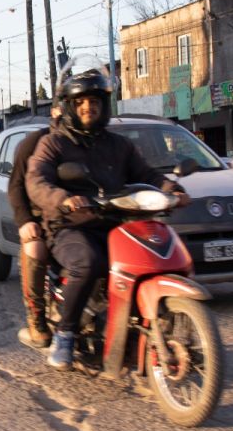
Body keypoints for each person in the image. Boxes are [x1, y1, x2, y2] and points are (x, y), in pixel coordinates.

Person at [26, 70, 188, 369]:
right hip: (69, 226)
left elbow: (146, 174)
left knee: (149, 257)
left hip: (114, 222)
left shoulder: (119, 145)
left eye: (95, 101)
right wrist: (63, 199)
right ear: (71, 106)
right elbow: (37, 182)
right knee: (89, 261)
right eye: (82, 102)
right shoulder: (54, 144)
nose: (89, 107)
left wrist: (171, 188)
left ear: (104, 105)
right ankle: (65, 334)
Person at [8, 101, 63, 349]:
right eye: (69, 105)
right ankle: (36, 318)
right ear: (54, 111)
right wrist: (25, 221)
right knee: (34, 247)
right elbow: (16, 185)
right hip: (41, 217)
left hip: (81, 218)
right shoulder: (35, 142)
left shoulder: (95, 143)